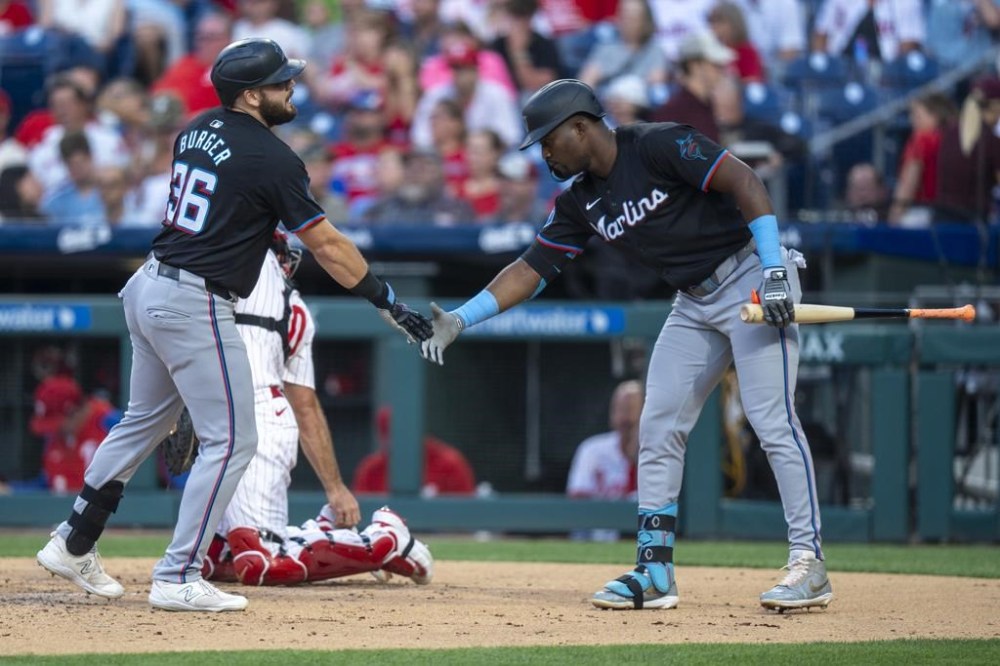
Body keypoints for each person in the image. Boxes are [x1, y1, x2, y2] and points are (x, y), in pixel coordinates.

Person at [36, 37, 433, 613]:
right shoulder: (273, 157)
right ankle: (177, 574)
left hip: (148, 285)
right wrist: (386, 299)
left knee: (142, 423)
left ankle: (74, 540)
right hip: (194, 300)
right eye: (278, 83)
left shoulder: (194, 128)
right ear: (250, 96)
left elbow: (227, 205)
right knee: (233, 439)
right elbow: (326, 243)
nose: (290, 88)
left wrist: (261, 232)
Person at [418, 79, 832, 613]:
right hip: (694, 300)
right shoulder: (580, 201)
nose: (543, 153)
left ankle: (809, 562)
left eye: (548, 140)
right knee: (656, 427)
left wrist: (775, 269)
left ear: (581, 128)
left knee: (770, 417)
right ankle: (655, 570)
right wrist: (460, 317)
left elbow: (745, 181)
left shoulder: (657, 144)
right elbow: (532, 269)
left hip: (752, 274)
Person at [202, 231, 432, 586]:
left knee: (261, 563)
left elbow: (305, 405)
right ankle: (325, 532)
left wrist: (336, 487)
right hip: (218, 427)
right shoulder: (208, 276)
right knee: (212, 563)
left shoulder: (287, 305)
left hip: (263, 420)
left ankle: (384, 542)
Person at [566, 380, 643, 541]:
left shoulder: (656, 454)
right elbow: (576, 499)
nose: (625, 417)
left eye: (631, 409)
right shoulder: (592, 449)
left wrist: (633, 461)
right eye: (620, 409)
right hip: (595, 535)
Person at [353, 405, 476, 497]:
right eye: (391, 436)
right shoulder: (372, 469)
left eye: (405, 434)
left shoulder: (449, 463)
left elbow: (468, 515)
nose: (399, 442)